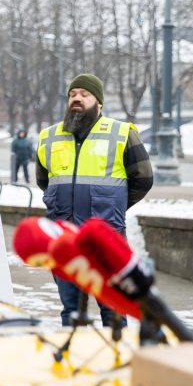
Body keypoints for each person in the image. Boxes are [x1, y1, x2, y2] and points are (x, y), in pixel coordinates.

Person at [36, 73, 154, 327]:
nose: (77, 98)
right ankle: (74, 361)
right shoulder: (49, 136)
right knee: (71, 310)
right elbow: (45, 181)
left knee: (112, 308)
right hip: (64, 237)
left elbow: (143, 179)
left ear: (99, 102)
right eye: (72, 94)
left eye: (85, 94)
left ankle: (115, 361)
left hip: (105, 237)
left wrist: (113, 206)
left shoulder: (122, 133)